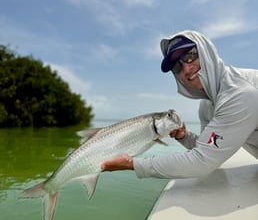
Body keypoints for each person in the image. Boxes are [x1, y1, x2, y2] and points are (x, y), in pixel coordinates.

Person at [101, 30, 258, 179]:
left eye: (190, 56)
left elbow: (202, 162)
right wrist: (184, 137)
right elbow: (209, 147)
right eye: (176, 66)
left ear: (206, 52)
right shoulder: (207, 105)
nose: (186, 69)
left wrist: (133, 164)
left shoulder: (239, 93)